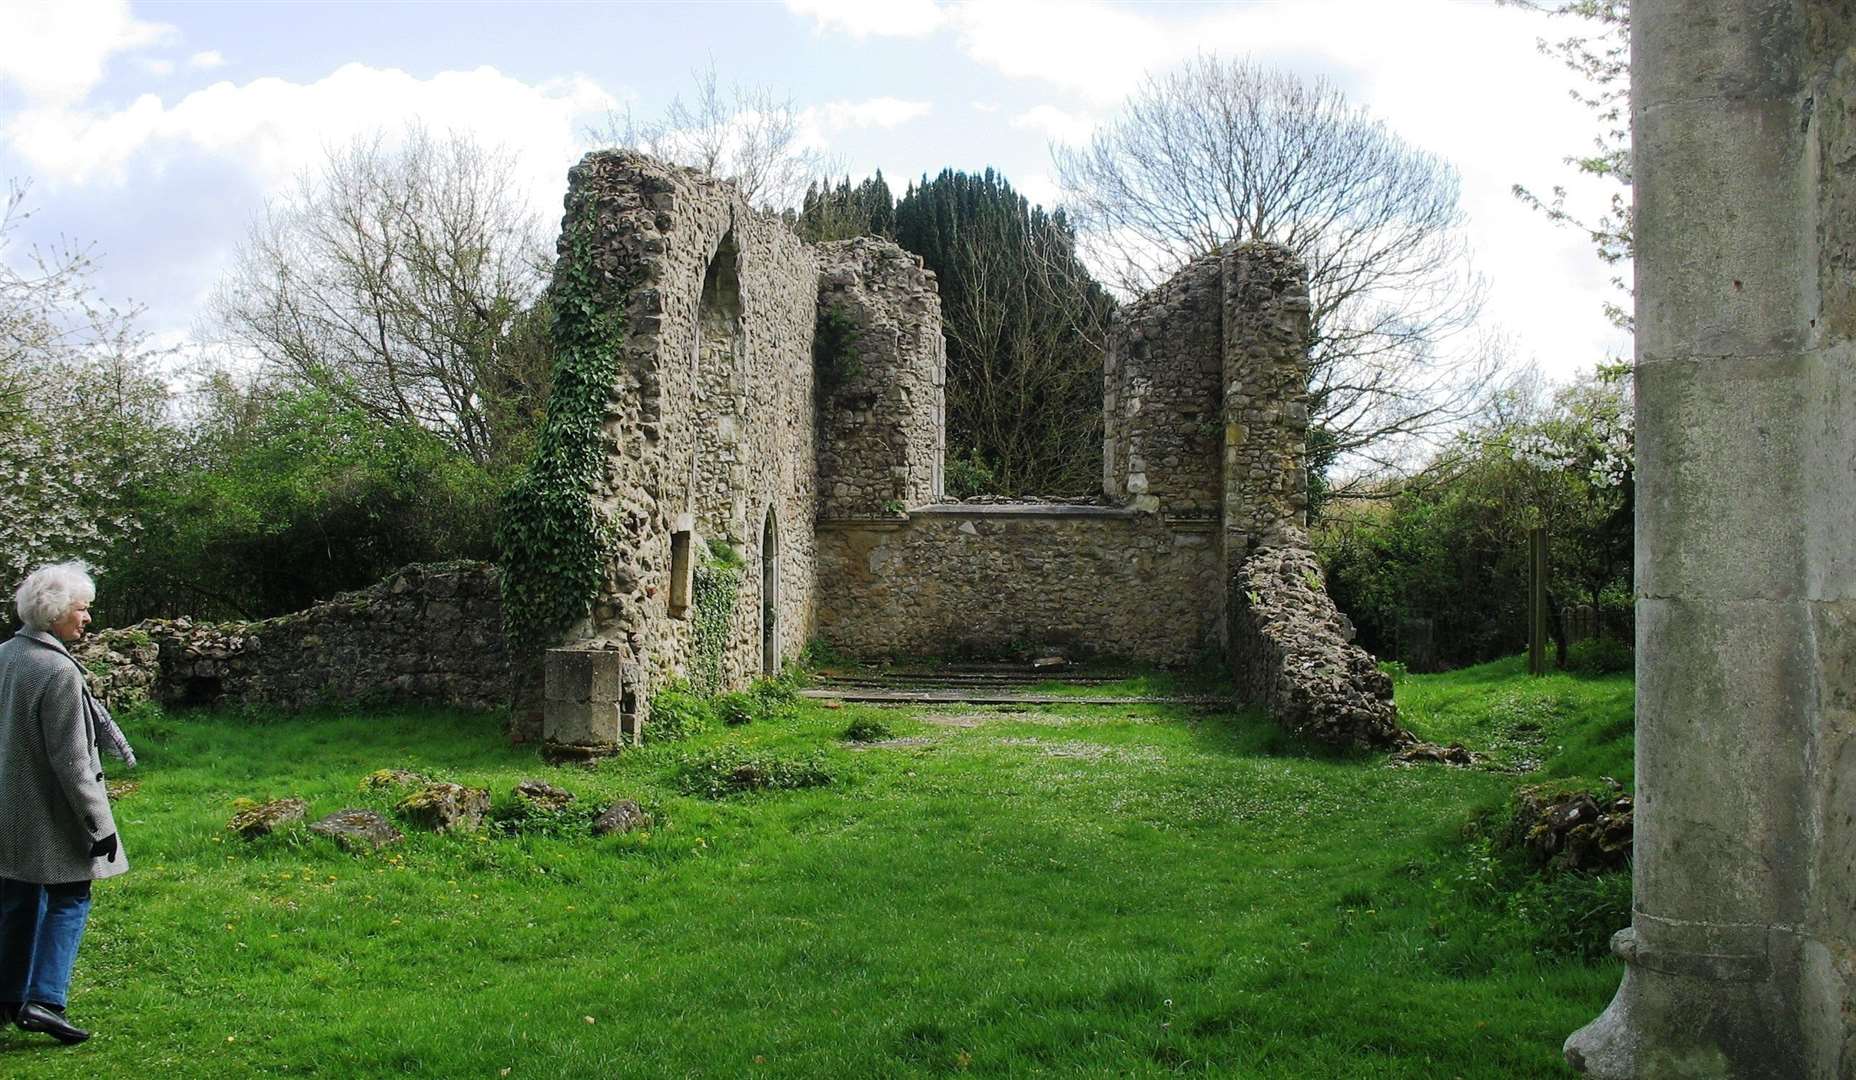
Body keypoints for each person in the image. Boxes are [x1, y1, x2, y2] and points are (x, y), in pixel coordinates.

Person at [0, 561, 132, 1046]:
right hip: (49, 815)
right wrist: (101, 827)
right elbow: (74, 763)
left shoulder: (5, 656)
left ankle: (9, 997)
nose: (88, 618)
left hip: (8, 810)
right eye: (83, 609)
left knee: (16, 901)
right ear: (55, 614)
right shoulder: (56, 670)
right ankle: (45, 1000)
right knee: (71, 897)